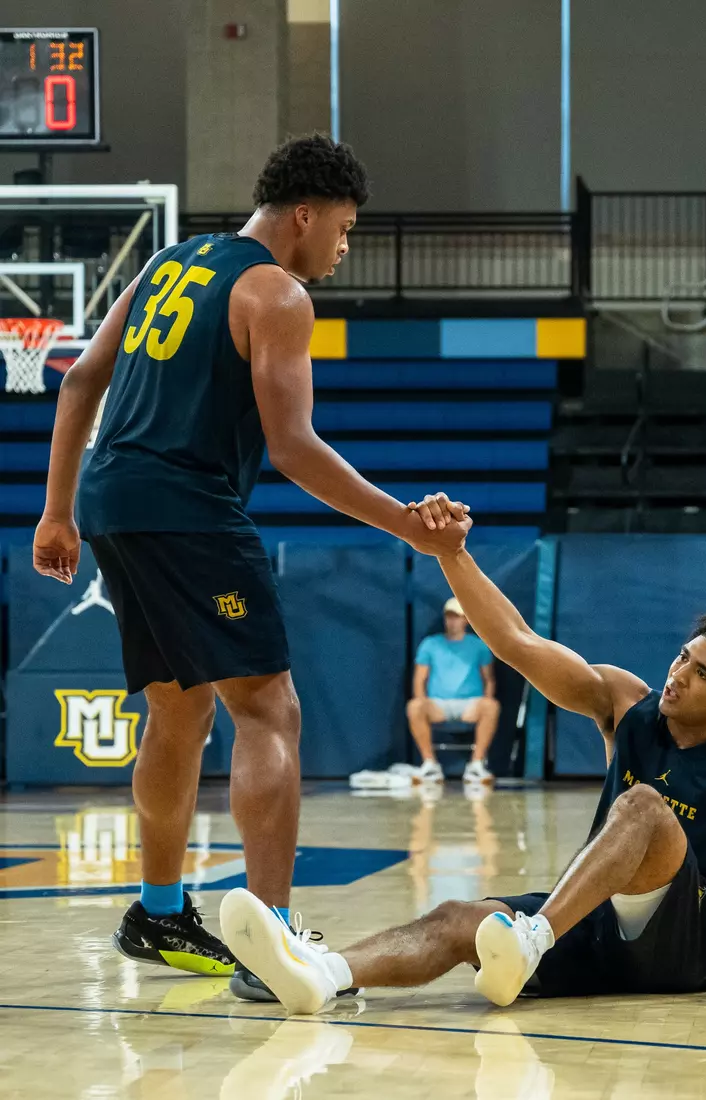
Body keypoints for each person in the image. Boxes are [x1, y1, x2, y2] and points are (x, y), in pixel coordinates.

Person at [31, 136, 470, 1003]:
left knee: (178, 706)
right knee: (268, 706)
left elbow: (80, 379)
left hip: (112, 498)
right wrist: (406, 526)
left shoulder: (168, 263)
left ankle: (160, 910)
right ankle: (272, 942)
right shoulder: (277, 291)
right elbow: (294, 448)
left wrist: (55, 510)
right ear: (304, 215)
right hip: (186, 505)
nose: (343, 246)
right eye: (343, 228)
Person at [219, 504, 706, 1014]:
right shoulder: (624, 704)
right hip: (594, 922)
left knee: (641, 805)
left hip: (685, 948)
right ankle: (321, 977)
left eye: (701, 674)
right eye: (682, 658)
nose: (678, 675)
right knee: (456, 919)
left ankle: (533, 938)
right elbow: (517, 642)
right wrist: (452, 554)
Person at [408, 596, 500, 784]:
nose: (453, 621)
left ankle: (476, 766)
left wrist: (486, 698)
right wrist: (422, 701)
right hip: (438, 705)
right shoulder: (430, 644)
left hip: (470, 705)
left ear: (466, 619)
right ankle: (430, 765)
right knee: (414, 707)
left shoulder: (479, 645)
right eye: (450, 616)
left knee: (491, 707)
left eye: (458, 616)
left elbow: (488, 679)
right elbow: (419, 678)